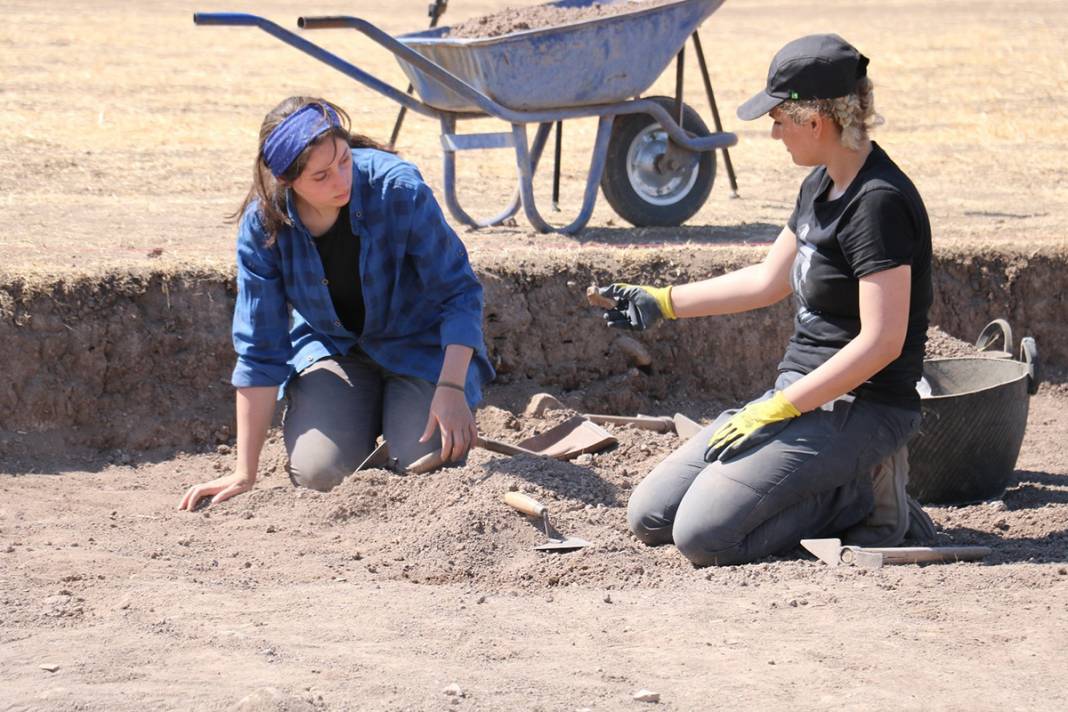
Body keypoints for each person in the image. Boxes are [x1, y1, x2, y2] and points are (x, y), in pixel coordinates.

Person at [602, 35, 933, 565]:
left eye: (779, 119)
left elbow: (882, 342)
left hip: (862, 411)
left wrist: (781, 407)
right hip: (800, 398)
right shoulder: (821, 184)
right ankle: (820, 484)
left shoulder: (879, 205)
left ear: (816, 122)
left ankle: (863, 496)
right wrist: (663, 300)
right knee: (651, 515)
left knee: (704, 538)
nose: (775, 133)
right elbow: (767, 280)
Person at [179, 97, 493, 511]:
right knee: (318, 474)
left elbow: (459, 291)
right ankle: (361, 417)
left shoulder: (398, 189)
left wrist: (451, 388)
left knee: (423, 463)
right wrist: (244, 472)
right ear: (287, 181)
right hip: (334, 350)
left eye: (345, 160)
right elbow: (260, 346)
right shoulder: (263, 226)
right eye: (322, 175)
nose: (341, 181)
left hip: (422, 348)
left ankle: (403, 414)